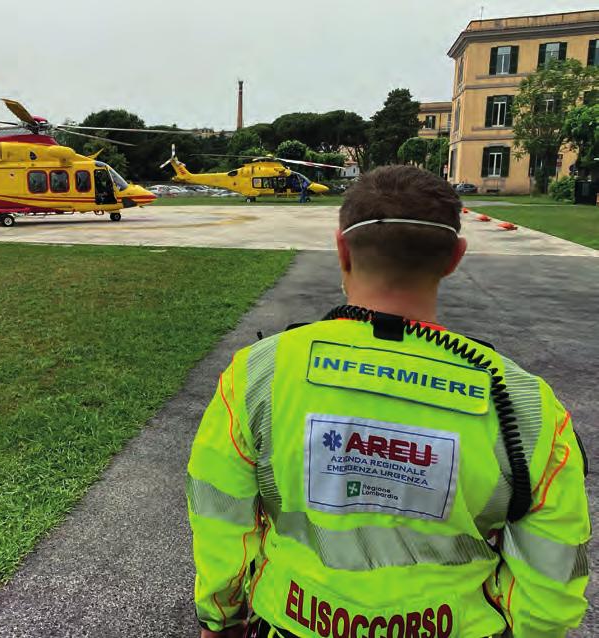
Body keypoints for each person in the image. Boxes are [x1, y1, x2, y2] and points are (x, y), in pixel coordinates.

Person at [186, 165, 589, 638]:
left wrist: (220, 614)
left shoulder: (256, 374)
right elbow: (553, 570)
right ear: (455, 257)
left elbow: (220, 517)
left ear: (342, 249)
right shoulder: (529, 405)